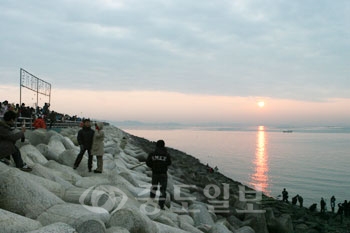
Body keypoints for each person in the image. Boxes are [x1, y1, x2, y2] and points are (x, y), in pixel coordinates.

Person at [146, 139, 172, 209]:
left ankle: (151, 201)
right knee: (163, 190)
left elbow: (148, 162)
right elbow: (169, 163)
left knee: (154, 187)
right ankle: (161, 205)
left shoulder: (152, 153)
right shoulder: (166, 154)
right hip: (163, 174)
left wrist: (153, 166)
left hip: (155, 173)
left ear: (156, 145)